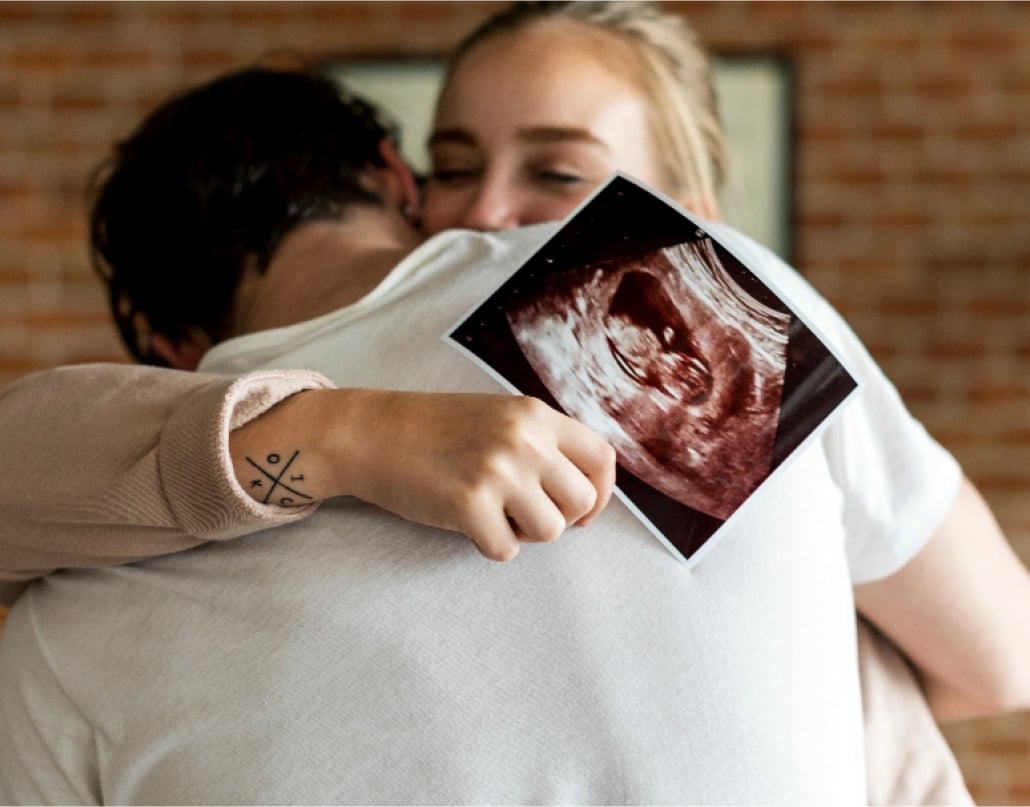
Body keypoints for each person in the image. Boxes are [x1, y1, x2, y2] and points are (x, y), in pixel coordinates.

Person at [0, 1, 1025, 801]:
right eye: (457, 167)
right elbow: (1002, 658)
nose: (490, 216)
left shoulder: (67, 608)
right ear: (397, 180)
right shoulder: (666, 284)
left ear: (174, 350)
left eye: (559, 172)